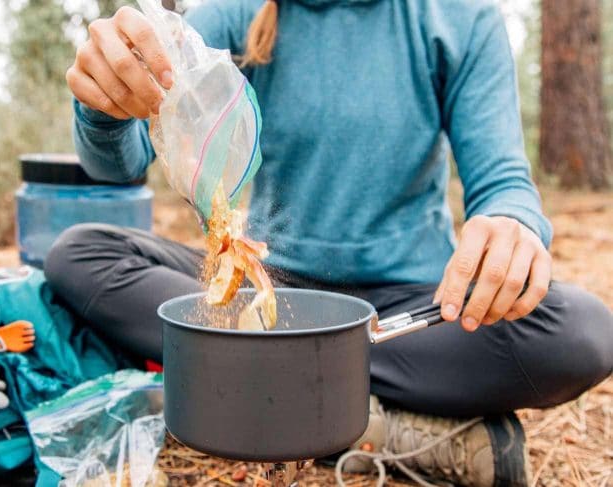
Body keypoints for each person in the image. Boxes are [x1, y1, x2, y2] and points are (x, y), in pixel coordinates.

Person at [46, 0, 613, 485]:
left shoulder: (457, 16)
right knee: (81, 252)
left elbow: (502, 182)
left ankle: (272, 388)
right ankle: (358, 416)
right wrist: (105, 108)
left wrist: (512, 223)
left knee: (581, 333)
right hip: (264, 296)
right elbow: (118, 166)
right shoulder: (237, 13)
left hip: (405, 311)